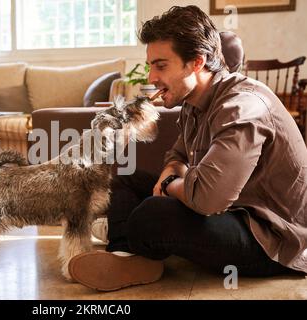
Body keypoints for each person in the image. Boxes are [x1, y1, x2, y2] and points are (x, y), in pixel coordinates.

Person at [68, 5, 307, 292]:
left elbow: (208, 199)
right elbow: (178, 155)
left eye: (161, 65)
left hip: (271, 239)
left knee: (153, 213)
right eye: (150, 66)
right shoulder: (195, 104)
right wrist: (169, 172)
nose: (151, 78)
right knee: (123, 182)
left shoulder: (241, 108)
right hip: (230, 209)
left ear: (196, 62)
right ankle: (126, 255)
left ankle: (131, 237)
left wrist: (169, 184)